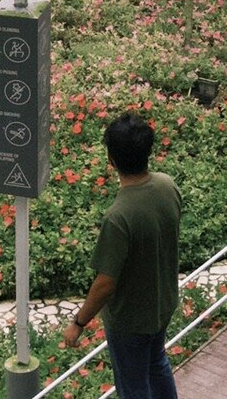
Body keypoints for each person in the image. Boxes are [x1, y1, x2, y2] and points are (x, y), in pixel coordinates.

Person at [63, 112, 182, 399]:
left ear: (112, 159)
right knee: (157, 363)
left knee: (133, 387)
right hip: (162, 304)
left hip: (131, 320)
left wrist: (78, 324)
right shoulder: (168, 186)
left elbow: (106, 282)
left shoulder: (119, 217)